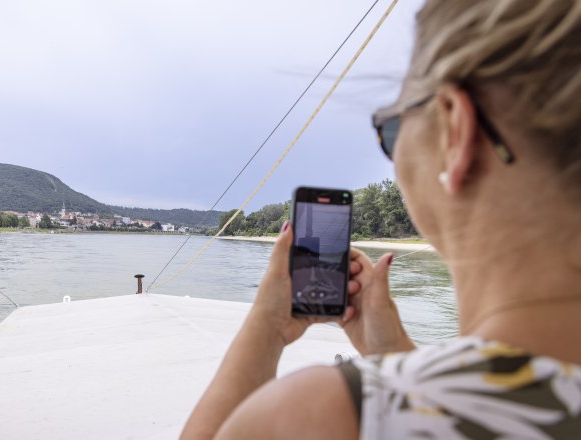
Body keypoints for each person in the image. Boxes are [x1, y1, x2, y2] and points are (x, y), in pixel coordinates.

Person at [180, 0, 581, 438]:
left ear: (454, 131)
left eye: (392, 127)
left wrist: (267, 325)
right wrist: (392, 353)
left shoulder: (321, 414)